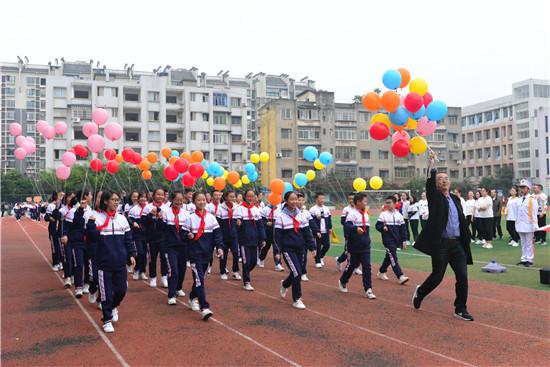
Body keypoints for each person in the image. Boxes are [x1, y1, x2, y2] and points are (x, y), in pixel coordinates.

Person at [413, 152, 474, 321]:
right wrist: (432, 165)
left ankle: (460, 308)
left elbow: (460, 219)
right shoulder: (434, 197)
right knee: (437, 276)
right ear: (436, 183)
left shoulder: (455, 198)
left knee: (462, 276)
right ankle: (420, 291)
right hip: (441, 245)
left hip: (457, 245)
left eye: (446, 178)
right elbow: (429, 184)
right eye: (440, 179)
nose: (444, 180)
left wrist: (466, 237)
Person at [86, 190, 136, 333]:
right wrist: (90, 223)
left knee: (121, 291)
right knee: (106, 294)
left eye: (117, 199)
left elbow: (128, 239)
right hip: (104, 264)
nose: (116, 202)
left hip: (120, 263)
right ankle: (107, 319)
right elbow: (91, 237)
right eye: (113, 199)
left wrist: (131, 254)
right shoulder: (96, 217)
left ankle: (114, 307)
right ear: (106, 201)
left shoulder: (122, 219)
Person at [275, 191, 316, 309]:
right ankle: (297, 299)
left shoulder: (301, 215)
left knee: (296, 272)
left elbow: (307, 232)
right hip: (288, 249)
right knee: (297, 273)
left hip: (300, 248)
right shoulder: (281, 216)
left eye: (296, 199)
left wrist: (312, 247)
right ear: (286, 201)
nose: (294, 202)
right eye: (292, 199)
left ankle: (285, 284)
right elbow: (277, 236)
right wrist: (277, 252)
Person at [186, 192, 224, 320]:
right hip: (195, 254)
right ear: (194, 202)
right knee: (199, 280)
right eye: (198, 200)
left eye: (203, 200)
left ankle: (192, 296)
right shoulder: (190, 218)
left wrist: (219, 247)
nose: (201, 202)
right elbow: (184, 235)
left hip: (207, 254)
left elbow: (217, 234)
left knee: (201, 279)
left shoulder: (211, 218)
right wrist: (188, 236)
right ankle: (205, 307)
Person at [338, 192, 376, 299]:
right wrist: (355, 229)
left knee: (367, 267)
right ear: (358, 202)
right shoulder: (352, 214)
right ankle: (343, 280)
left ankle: (368, 289)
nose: (366, 203)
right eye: (364, 201)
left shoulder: (365, 214)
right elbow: (347, 226)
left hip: (365, 246)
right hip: (354, 246)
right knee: (352, 265)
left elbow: (366, 230)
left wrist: (367, 239)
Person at [162, 191, 190, 305]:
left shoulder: (186, 214)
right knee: (173, 270)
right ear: (172, 200)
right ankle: (171, 294)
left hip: (183, 246)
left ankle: (178, 288)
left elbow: (189, 229)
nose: (179, 202)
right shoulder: (165, 212)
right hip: (170, 247)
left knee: (182, 269)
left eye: (181, 199)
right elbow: (161, 230)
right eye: (177, 199)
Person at [234, 189, 266, 291]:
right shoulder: (240, 209)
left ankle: (246, 272)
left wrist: (263, 238)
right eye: (248, 196)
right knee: (246, 261)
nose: (250, 198)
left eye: (252, 196)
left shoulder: (256, 210)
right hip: (244, 240)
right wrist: (238, 223)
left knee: (253, 262)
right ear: (245, 197)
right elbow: (236, 223)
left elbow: (260, 226)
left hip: (255, 240)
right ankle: (246, 281)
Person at [375, 196, 409, 285]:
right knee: (393, 257)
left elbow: (403, 229)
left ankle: (382, 271)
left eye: (389, 202)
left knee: (389, 257)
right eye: (386, 203)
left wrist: (404, 240)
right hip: (387, 240)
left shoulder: (399, 215)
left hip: (396, 240)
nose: (387, 204)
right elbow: (377, 226)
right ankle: (400, 276)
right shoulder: (383, 215)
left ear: (395, 203)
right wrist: (383, 228)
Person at [142, 188, 169, 288]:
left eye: (162, 195)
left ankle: (164, 277)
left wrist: (161, 218)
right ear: (153, 195)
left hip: (163, 237)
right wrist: (150, 215)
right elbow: (143, 222)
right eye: (158, 194)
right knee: (152, 258)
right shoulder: (148, 207)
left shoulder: (166, 208)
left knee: (164, 257)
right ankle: (153, 277)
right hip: (151, 238)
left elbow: (168, 225)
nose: (160, 197)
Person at [216, 190, 241, 280]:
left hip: (234, 235)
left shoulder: (237, 207)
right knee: (224, 254)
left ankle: (235, 271)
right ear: (226, 197)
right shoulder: (220, 208)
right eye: (230, 196)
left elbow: (239, 219)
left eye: (234, 197)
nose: (232, 199)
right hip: (223, 235)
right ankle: (222, 271)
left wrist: (239, 221)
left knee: (236, 253)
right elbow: (218, 223)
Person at [514, 180, 539, 267]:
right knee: (523, 243)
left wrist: (535, 225)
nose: (522, 189)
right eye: (521, 187)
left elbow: (534, 213)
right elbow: (517, 213)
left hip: (529, 224)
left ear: (528, 189)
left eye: (523, 187)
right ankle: (524, 258)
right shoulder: (519, 199)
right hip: (520, 224)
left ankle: (529, 259)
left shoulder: (532, 200)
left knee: (529, 243)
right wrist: (516, 223)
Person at [297, 193, 320, 281]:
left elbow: (312, 223)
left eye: (302, 200)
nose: (300, 202)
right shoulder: (291, 212)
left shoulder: (306, 212)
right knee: (297, 256)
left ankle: (303, 273)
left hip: (304, 238)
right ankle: (296, 271)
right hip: (294, 238)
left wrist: (317, 231)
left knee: (304, 256)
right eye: (299, 200)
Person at [127, 192, 149, 280]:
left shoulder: (148, 208)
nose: (143, 199)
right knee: (139, 253)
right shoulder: (134, 209)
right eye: (141, 197)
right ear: (138, 199)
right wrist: (133, 223)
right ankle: (136, 270)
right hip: (137, 234)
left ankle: (142, 271)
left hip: (146, 234)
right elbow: (129, 219)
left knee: (145, 254)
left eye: (144, 197)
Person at [259, 198, 284, 272]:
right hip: (267, 231)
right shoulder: (265, 209)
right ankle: (261, 258)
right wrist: (266, 223)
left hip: (276, 231)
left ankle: (278, 264)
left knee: (277, 247)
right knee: (266, 247)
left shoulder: (280, 210)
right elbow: (261, 220)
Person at [309, 193, 332, 268]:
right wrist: (316, 231)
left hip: (325, 230)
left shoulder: (326, 208)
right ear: (316, 199)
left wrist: (330, 228)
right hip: (317, 231)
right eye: (320, 198)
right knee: (318, 247)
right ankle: (317, 261)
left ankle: (320, 256)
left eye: (323, 198)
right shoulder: (312, 209)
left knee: (327, 245)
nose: (322, 200)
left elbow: (329, 219)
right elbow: (310, 221)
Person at [335, 193, 355, 272]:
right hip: (348, 232)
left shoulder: (359, 208)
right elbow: (343, 221)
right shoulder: (346, 209)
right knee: (348, 250)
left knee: (356, 249)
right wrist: (351, 227)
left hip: (358, 232)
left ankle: (354, 266)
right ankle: (340, 261)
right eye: (349, 199)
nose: (351, 200)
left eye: (352, 199)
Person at [45, 192, 63, 271]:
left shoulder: (64, 206)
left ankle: (61, 262)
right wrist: (50, 218)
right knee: (54, 246)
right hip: (53, 229)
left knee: (61, 246)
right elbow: (46, 217)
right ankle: (55, 263)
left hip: (61, 229)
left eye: (62, 196)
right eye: (60, 195)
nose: (61, 197)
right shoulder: (51, 206)